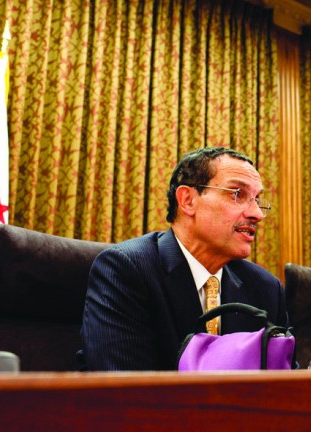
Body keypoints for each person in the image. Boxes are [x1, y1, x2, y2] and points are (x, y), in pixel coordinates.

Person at [80, 146, 287, 370]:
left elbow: (286, 385)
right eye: (237, 194)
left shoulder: (266, 288)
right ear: (187, 200)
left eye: (257, 199)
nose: (256, 214)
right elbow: (123, 388)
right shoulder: (126, 270)